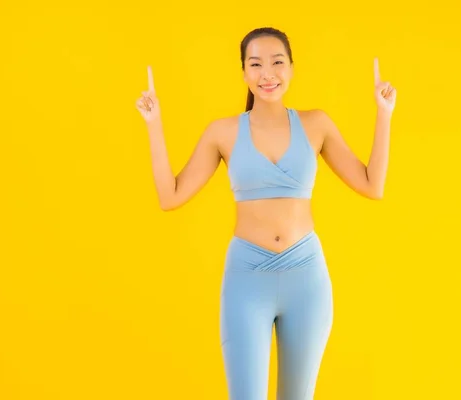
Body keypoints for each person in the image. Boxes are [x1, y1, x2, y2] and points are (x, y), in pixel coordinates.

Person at [136, 27, 395, 400]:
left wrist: (383, 115)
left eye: (277, 62)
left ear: (291, 68)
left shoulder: (316, 124)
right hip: (247, 281)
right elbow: (170, 196)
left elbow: (372, 185)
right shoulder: (222, 132)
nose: (267, 73)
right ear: (243, 72)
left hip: (306, 279)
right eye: (255, 64)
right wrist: (153, 123)